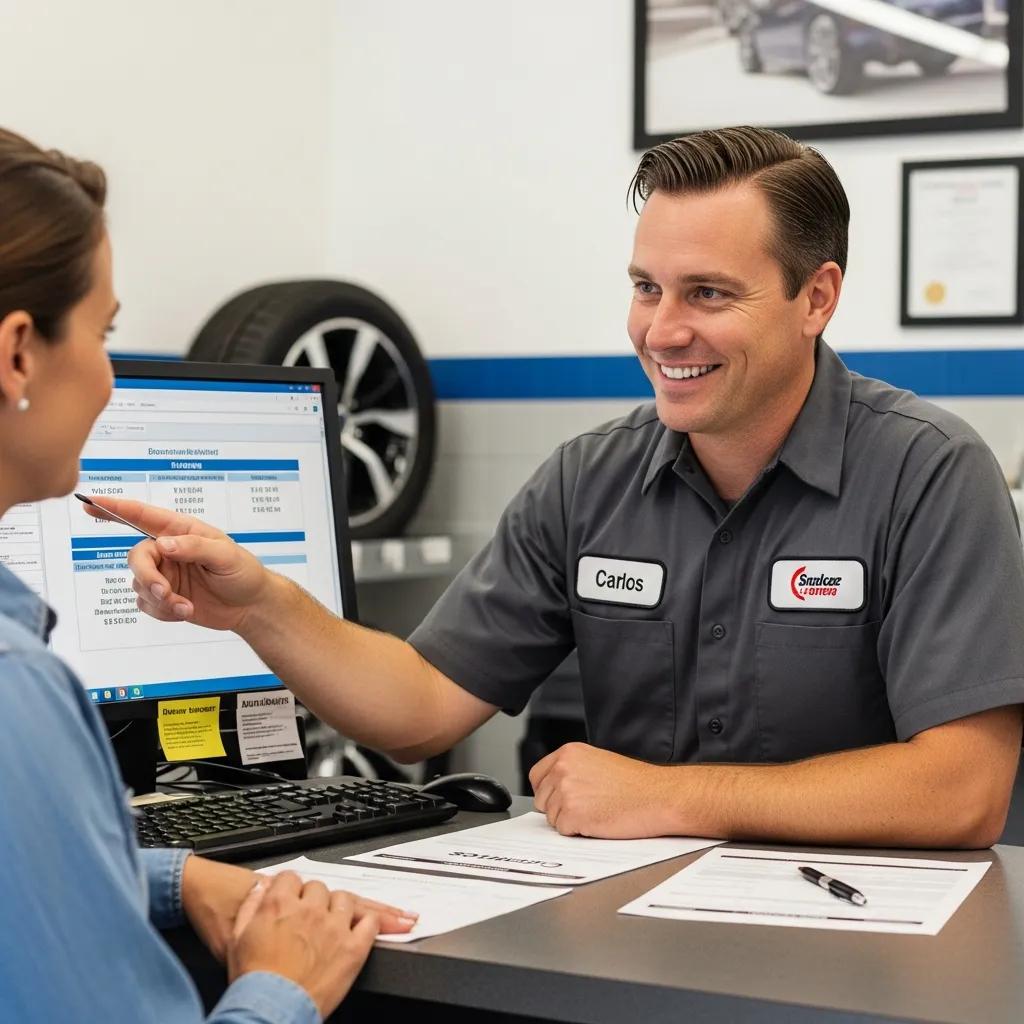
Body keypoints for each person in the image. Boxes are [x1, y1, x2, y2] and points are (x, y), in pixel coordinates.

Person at [101, 126, 1024, 850]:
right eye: (645, 287)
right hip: (625, 934)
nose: (662, 331)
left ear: (816, 298)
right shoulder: (590, 479)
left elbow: (964, 790)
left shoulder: (930, 473)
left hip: (867, 951)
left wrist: (670, 796)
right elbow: (422, 705)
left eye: (708, 293)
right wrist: (260, 604)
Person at [0, 126, 418, 1024]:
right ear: (18, 354)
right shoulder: (13, 693)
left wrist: (171, 874)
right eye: (104, 334)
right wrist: (281, 987)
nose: (110, 378)